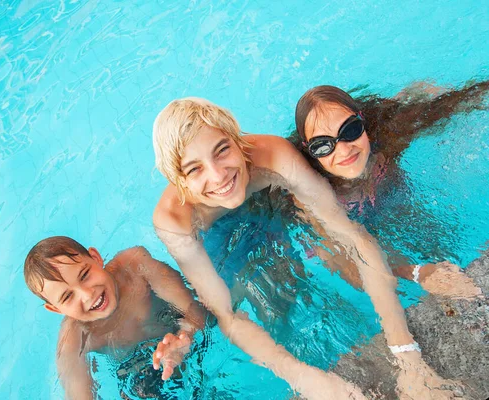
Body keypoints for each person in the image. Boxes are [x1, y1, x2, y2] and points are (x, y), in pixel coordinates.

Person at [152, 97, 458, 399]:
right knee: (270, 304)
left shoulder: (272, 155)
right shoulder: (173, 219)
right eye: (194, 169)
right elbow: (227, 315)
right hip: (214, 231)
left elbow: (351, 236)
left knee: (315, 256)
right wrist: (309, 380)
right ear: (177, 180)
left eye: (222, 151)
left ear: (237, 140)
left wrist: (405, 352)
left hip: (264, 197)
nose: (217, 175)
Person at [291, 83, 489, 298]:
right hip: (351, 228)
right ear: (308, 150)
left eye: (350, 130)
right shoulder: (311, 194)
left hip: (391, 201)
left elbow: (457, 102)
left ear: (362, 121)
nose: (344, 149)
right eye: (323, 145)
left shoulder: (388, 138)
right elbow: (350, 266)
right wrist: (417, 273)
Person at [23, 236, 205, 399]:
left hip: (183, 338)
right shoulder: (73, 341)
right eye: (67, 297)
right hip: (138, 376)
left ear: (95, 257)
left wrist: (185, 340)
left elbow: (196, 309)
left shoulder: (136, 267)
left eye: (85, 275)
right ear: (55, 309)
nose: (87, 295)